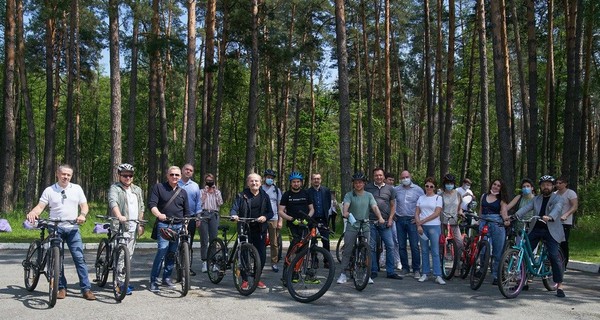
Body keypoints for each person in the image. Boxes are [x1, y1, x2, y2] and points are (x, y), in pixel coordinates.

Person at [26, 164, 96, 300]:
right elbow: (40, 206)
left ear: (71, 176)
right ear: (57, 174)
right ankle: (61, 288)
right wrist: (33, 212)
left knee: (79, 258)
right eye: (63, 174)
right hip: (55, 227)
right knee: (57, 258)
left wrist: (82, 215)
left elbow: (84, 205)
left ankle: (86, 289)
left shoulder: (77, 189)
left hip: (72, 228)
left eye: (68, 175)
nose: (66, 177)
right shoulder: (49, 190)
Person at [515, 175, 566, 297]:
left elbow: (557, 209)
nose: (546, 187)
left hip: (551, 230)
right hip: (536, 228)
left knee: (553, 255)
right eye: (543, 185)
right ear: (540, 187)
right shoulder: (536, 199)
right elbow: (526, 208)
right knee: (525, 252)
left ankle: (560, 285)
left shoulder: (558, 198)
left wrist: (550, 217)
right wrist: (514, 216)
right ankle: (523, 280)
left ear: (553, 186)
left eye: (548, 184)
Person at [337, 172, 385, 284]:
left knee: (367, 249)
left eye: (360, 182)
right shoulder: (349, 195)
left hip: (365, 224)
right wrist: (345, 213)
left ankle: (366, 274)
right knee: (348, 249)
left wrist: (380, 217)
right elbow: (346, 206)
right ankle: (343, 273)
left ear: (364, 183)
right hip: (353, 224)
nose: (358, 184)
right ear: (353, 184)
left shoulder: (369, 195)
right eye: (356, 182)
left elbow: (374, 207)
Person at [149, 166, 191, 292]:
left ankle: (166, 278)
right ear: (167, 175)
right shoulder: (159, 188)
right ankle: (154, 280)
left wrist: (186, 225)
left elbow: (187, 212)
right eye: (172, 174)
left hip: (179, 225)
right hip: (164, 225)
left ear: (180, 177)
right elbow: (152, 204)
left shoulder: (183, 192)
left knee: (172, 253)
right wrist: (158, 215)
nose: (174, 177)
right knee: (162, 251)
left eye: (177, 175)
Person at [230, 173, 274, 290]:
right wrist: (234, 215)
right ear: (248, 183)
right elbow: (234, 208)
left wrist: (265, 217)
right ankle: (244, 279)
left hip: (259, 228)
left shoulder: (265, 196)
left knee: (262, 255)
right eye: (252, 181)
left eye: (256, 181)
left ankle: (256, 278)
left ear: (260, 183)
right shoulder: (241, 195)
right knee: (244, 253)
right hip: (245, 227)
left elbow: (270, 212)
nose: (254, 183)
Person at [107, 163, 145, 295]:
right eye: (124, 175)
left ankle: (123, 279)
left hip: (133, 226)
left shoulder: (137, 190)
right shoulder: (115, 188)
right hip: (121, 226)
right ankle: (119, 283)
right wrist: (119, 215)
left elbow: (141, 207)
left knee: (129, 255)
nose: (127, 178)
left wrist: (140, 224)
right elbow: (113, 202)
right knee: (122, 256)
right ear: (119, 176)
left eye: (130, 175)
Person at [364, 168, 402, 281]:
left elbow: (393, 205)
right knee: (371, 247)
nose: (378, 177)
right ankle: (374, 270)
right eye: (376, 175)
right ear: (373, 176)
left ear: (384, 176)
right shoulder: (367, 188)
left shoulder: (390, 189)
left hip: (385, 222)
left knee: (390, 246)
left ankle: (390, 271)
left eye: (380, 175)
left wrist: (391, 219)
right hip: (371, 221)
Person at [479, 179, 511, 285]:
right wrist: (478, 221)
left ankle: (496, 275)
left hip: (496, 224)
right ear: (491, 185)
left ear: (501, 188)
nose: (496, 187)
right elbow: (480, 210)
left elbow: (504, 212)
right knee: (483, 249)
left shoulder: (502, 199)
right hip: (484, 223)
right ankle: (481, 269)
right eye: (494, 184)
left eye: (498, 185)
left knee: (497, 251)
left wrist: (506, 220)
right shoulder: (484, 196)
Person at [394, 170, 424, 278]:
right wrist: (393, 215)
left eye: (406, 177)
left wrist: (418, 219)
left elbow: (422, 204)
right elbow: (392, 202)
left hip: (412, 220)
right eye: (403, 177)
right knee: (401, 245)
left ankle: (416, 269)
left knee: (414, 246)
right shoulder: (396, 189)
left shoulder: (418, 190)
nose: (405, 179)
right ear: (400, 179)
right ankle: (405, 268)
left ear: (410, 177)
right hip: (399, 220)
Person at [415, 177, 445, 285]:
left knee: (435, 251)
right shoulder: (421, 198)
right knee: (424, 250)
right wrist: (419, 224)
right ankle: (425, 273)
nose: (429, 188)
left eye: (431, 186)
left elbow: (437, 213)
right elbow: (417, 212)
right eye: (427, 186)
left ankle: (438, 274)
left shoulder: (438, 198)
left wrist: (422, 221)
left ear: (434, 187)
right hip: (422, 227)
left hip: (434, 226)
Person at [279, 172, 314, 251]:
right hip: (292, 224)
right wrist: (291, 219)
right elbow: (280, 211)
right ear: (291, 183)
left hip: (304, 222)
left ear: (301, 183)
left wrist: (307, 218)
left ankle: (302, 262)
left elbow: (312, 209)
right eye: (294, 182)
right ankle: (288, 262)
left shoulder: (306, 193)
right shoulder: (286, 194)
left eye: (298, 182)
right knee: (295, 242)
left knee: (304, 244)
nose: (296, 184)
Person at [178, 163, 202, 275]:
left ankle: (187, 267)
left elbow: (198, 202)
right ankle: (175, 265)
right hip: (177, 217)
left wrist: (198, 217)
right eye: (186, 169)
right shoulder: (175, 183)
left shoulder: (195, 186)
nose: (188, 171)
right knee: (175, 243)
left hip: (191, 217)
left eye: (191, 170)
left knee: (188, 243)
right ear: (182, 170)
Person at [199, 173, 223, 273]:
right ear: (205, 182)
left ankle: (213, 262)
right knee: (204, 239)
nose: (209, 183)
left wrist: (215, 191)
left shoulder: (217, 192)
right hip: (204, 214)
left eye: (211, 181)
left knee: (214, 239)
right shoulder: (201, 191)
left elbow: (220, 203)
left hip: (214, 214)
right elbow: (199, 203)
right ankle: (204, 262)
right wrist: (205, 192)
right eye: (207, 181)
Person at [261, 169, 283, 272]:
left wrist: (280, 220)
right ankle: (260, 260)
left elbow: (280, 206)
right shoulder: (260, 188)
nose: (270, 179)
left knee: (274, 243)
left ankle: (274, 263)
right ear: (264, 178)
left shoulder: (277, 190)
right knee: (261, 241)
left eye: (271, 178)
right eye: (268, 177)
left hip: (274, 218)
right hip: (262, 218)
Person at [307, 173, 332, 260]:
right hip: (312, 219)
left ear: (320, 180)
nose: (316, 180)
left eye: (318, 178)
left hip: (323, 219)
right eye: (314, 179)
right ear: (311, 180)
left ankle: (327, 260)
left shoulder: (326, 190)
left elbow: (328, 204)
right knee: (313, 240)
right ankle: (314, 260)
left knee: (326, 240)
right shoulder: (307, 192)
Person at [555, 176, 578, 269]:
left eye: (560, 183)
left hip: (565, 222)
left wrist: (566, 215)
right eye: (557, 183)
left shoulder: (570, 193)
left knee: (563, 242)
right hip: (555, 222)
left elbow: (575, 206)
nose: (558, 185)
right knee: (554, 242)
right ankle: (554, 261)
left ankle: (564, 263)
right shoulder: (555, 194)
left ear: (565, 184)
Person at [440, 174, 464, 262]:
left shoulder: (458, 194)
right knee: (441, 243)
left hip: (454, 221)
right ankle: (440, 264)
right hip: (443, 221)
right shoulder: (441, 195)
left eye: (451, 183)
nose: (449, 185)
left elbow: (459, 206)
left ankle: (457, 266)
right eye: (447, 183)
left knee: (459, 243)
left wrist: (460, 212)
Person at [506, 178, 536, 243]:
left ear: (532, 188)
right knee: (518, 246)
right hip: (519, 226)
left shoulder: (536, 199)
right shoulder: (519, 197)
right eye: (524, 187)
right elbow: (507, 207)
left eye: (528, 186)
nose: (526, 188)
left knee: (531, 247)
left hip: (532, 226)